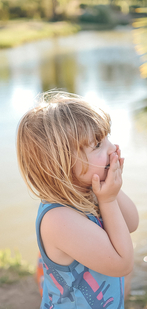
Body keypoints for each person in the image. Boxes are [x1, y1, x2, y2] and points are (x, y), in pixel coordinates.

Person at [17, 91, 139, 309]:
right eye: (98, 144)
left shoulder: (88, 191)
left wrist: (112, 191)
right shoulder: (58, 219)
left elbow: (131, 223)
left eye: (107, 137)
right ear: (62, 163)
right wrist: (108, 201)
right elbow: (123, 263)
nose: (113, 148)